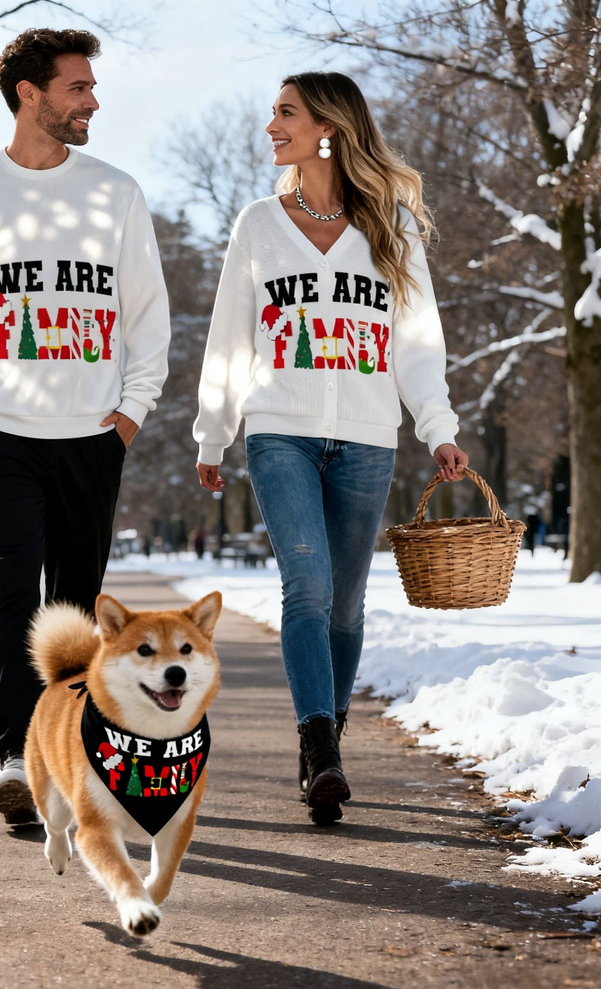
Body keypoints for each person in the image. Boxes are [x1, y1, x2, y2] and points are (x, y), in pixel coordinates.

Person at [0, 29, 170, 827]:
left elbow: (146, 313)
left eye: (90, 87)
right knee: (10, 587)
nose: (91, 100)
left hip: (92, 432)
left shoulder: (116, 192)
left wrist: (131, 412)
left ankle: (70, 754)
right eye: (77, 87)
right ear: (30, 93)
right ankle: (17, 759)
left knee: (77, 605)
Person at [193, 71, 468, 826]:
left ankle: (330, 740)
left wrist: (437, 427)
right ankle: (319, 750)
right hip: (278, 427)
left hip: (368, 437)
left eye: (285, 112)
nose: (271, 123)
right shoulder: (258, 223)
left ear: (328, 128)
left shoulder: (392, 226)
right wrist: (213, 430)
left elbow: (417, 343)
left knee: (346, 607)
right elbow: (229, 337)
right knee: (306, 587)